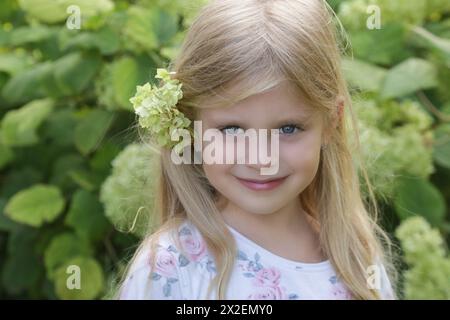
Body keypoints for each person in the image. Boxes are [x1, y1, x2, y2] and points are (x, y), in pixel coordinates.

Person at [118, 0, 396, 300]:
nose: (260, 159)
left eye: (288, 129)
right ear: (190, 126)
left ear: (331, 122)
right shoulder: (171, 269)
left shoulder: (358, 261)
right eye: (232, 130)